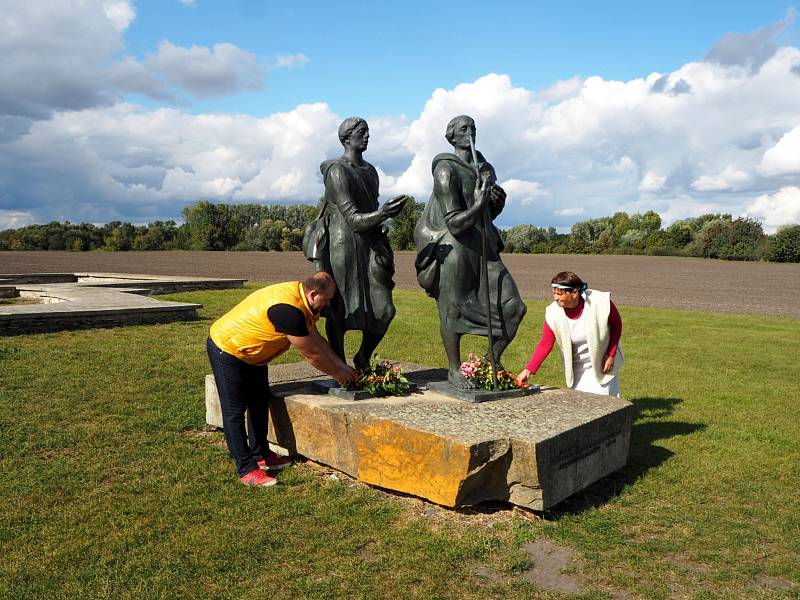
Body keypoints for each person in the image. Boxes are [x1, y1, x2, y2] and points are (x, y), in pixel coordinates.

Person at [207, 272, 356, 487]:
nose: (329, 304)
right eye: (328, 299)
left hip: (253, 355)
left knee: (259, 400)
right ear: (314, 293)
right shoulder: (289, 311)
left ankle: (261, 453)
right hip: (228, 348)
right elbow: (312, 354)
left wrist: (343, 366)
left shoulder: (301, 299)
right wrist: (337, 374)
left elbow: (318, 341)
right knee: (234, 411)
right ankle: (247, 469)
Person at [414, 115, 526, 389]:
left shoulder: (484, 168)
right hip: (456, 251)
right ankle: (454, 369)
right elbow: (454, 222)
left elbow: (487, 215)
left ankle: (489, 362)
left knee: (514, 308)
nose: (470, 133)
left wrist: (495, 204)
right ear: (451, 137)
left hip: (485, 249)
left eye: (473, 128)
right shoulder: (445, 170)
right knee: (453, 311)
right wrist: (479, 204)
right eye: (464, 129)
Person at [310, 117, 410, 369]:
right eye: (362, 133)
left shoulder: (371, 171)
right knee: (340, 311)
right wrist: (384, 213)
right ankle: (339, 366)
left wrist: (381, 221)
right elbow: (352, 218)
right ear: (346, 137)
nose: (367, 137)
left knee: (384, 310)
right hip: (344, 247)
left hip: (371, 247)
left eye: (368, 132)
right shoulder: (337, 171)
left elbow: (370, 211)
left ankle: (363, 357)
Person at [517, 271, 623, 397]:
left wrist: (610, 354)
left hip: (601, 363)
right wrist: (528, 370)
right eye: (554, 294)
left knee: (603, 403)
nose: (556, 298)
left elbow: (617, 325)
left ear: (574, 293)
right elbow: (545, 343)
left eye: (560, 294)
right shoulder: (553, 313)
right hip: (576, 367)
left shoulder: (600, 303)